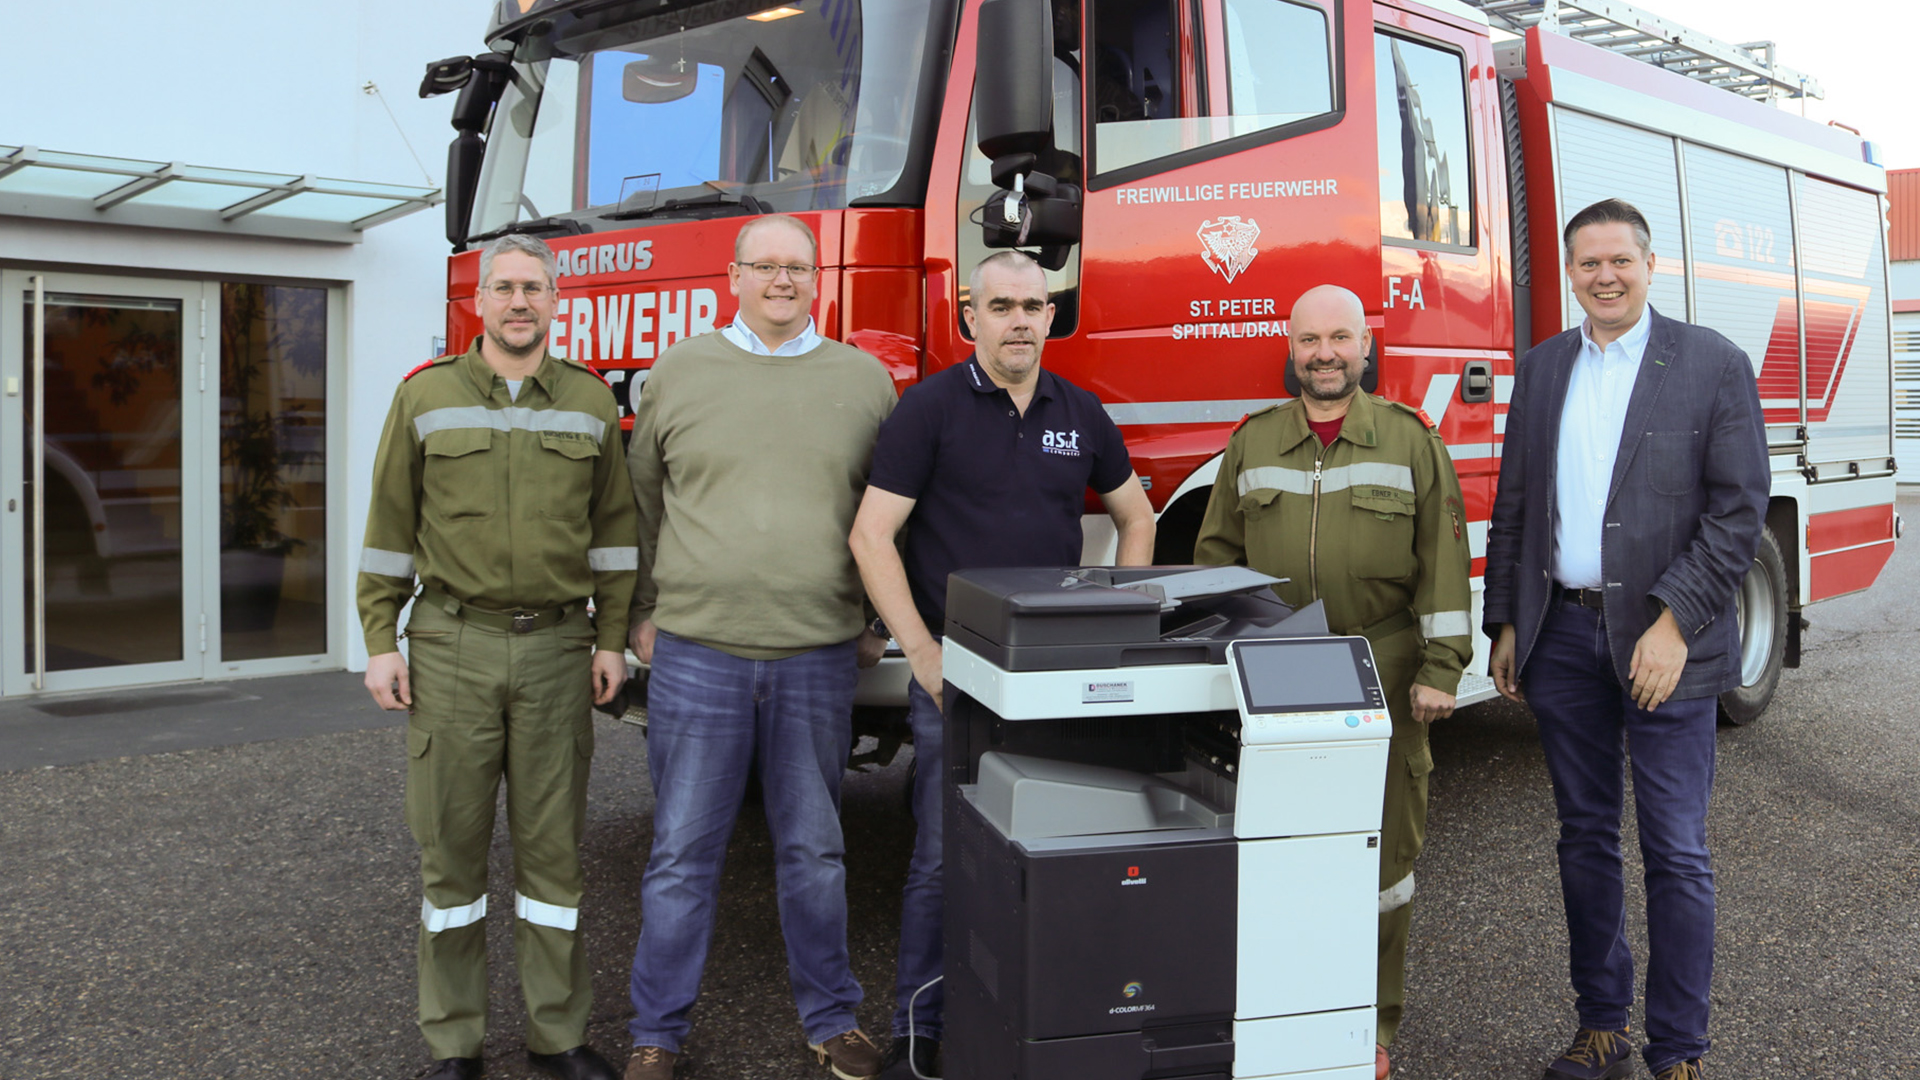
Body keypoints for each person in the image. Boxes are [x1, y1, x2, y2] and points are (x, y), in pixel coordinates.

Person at [849, 250, 1157, 1079]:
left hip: (1053, 677)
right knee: (943, 858)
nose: (1020, 320)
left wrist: (1111, 622)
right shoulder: (930, 410)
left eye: (1034, 305)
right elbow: (871, 537)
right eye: (1002, 306)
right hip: (958, 680)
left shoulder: (1080, 413)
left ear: (1051, 318)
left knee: (1053, 847)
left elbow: (1137, 516)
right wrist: (921, 650)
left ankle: (1044, 1017)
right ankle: (921, 1025)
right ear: (969, 318)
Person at [1484, 199, 1767, 1080]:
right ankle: (1601, 1025)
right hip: (1562, 639)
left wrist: (1674, 623)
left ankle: (1678, 1050)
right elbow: (1517, 507)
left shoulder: (1713, 364)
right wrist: (1505, 621)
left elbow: (1737, 511)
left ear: (1651, 265)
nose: (1604, 277)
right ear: (1569, 273)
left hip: (1663, 646)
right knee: (1583, 836)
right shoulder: (1543, 369)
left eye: (1619, 261)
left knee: (1677, 851)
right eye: (1587, 263)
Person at [621, 214, 897, 1080]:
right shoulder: (679, 372)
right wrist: (641, 608)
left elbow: (890, 518)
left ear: (817, 279)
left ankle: (832, 1018)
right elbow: (641, 502)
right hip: (698, 651)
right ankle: (656, 1034)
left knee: (814, 850)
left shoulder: (863, 382)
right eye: (764, 265)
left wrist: (877, 624)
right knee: (680, 855)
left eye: (797, 267)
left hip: (817, 653)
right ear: (732, 277)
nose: (781, 279)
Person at [358, 234, 637, 1080]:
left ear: (558, 301)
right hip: (450, 644)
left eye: (536, 289)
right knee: (452, 851)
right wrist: (379, 641)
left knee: (553, 855)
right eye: (506, 288)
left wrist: (614, 638)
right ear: (479, 301)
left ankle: (558, 1036)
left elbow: (617, 536)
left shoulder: (591, 403)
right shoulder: (425, 396)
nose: (521, 303)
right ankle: (454, 1042)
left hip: (558, 646)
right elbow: (386, 533)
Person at [1192, 283, 1472, 1080]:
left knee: (1382, 863)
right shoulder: (1252, 443)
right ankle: (1276, 1012)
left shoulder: (1412, 440)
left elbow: (1444, 567)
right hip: (1277, 672)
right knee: (1274, 850)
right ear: (1290, 345)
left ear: (1364, 346)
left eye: (1340, 338)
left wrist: (1443, 668)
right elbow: (1213, 562)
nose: (1325, 353)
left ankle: (1371, 1027)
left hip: (1383, 669)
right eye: (1310, 338)